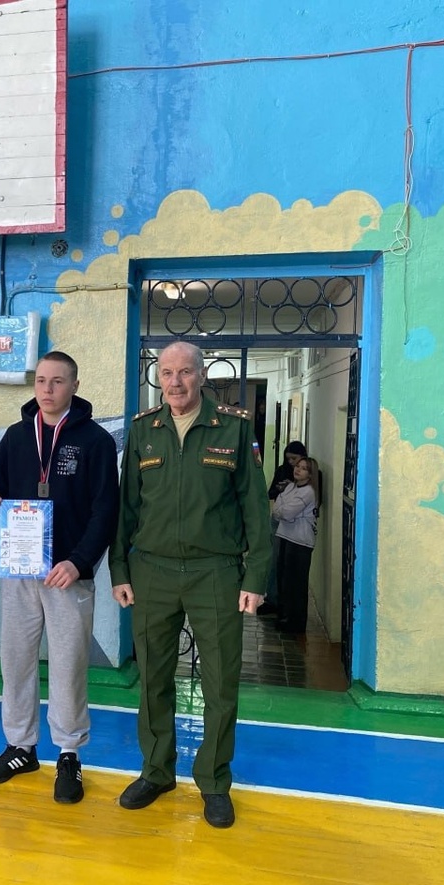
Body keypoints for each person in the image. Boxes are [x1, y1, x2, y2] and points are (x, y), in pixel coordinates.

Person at [109, 340, 272, 829]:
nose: (175, 382)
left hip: (215, 572)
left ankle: (214, 781)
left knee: (220, 681)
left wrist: (255, 576)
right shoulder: (144, 430)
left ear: (202, 376)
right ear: (158, 378)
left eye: (185, 372)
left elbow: (255, 509)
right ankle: (156, 771)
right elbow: (126, 506)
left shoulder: (233, 429)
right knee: (153, 677)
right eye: (167, 373)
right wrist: (120, 569)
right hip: (152, 571)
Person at [0, 351, 119, 804]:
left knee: (68, 664)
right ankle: (20, 746)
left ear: (74, 385)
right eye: (41, 380)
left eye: (57, 381)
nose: (48, 389)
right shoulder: (17, 436)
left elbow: (105, 511)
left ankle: (69, 754)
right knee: (15, 660)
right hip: (21, 569)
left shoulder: (95, 441)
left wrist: (78, 561)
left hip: (67, 574)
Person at [273, 457, 320, 635]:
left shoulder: (308, 492)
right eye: (297, 466)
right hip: (285, 536)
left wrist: (283, 509)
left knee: (297, 583)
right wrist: (283, 509)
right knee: (284, 579)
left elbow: (286, 512)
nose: (298, 470)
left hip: (301, 541)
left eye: (304, 468)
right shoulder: (290, 487)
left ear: (310, 474)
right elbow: (277, 509)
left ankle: (296, 622)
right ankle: (285, 616)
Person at [260, 440, 307, 617]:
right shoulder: (282, 470)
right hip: (278, 521)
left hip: (296, 527)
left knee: (290, 567)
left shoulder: (309, 475)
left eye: (294, 459)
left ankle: (286, 605)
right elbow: (271, 493)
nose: (292, 463)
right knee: (274, 561)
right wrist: (281, 489)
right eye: (288, 459)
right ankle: (272, 598)